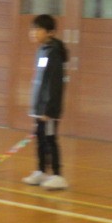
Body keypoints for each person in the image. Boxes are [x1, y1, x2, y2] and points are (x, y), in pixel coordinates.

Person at [22, 14, 69, 190]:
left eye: (38, 29)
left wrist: (48, 110)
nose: (34, 32)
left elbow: (54, 84)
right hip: (39, 107)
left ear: (50, 32)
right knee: (40, 139)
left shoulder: (54, 53)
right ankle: (41, 171)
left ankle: (57, 175)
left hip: (48, 109)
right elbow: (40, 80)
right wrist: (36, 106)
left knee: (50, 139)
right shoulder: (42, 50)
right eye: (33, 29)